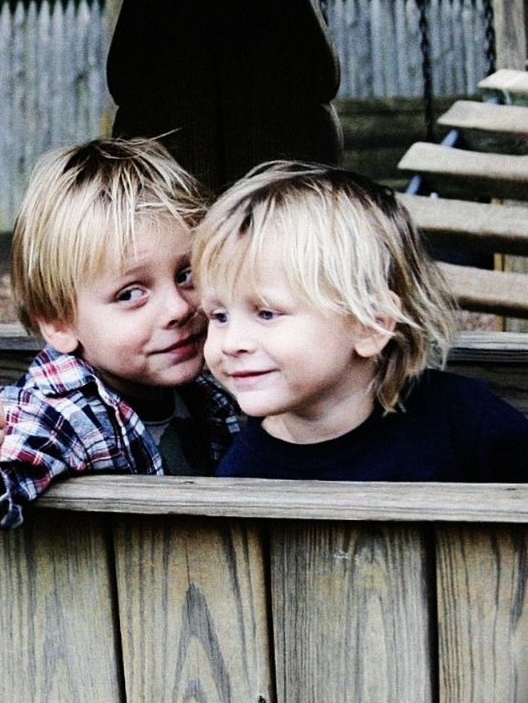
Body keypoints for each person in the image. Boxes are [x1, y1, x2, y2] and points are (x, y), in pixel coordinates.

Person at [0, 137, 241, 546]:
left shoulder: (211, 383)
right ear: (60, 325)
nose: (177, 307)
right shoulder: (60, 412)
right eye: (131, 293)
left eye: (186, 273)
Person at [191, 160, 528, 481]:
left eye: (266, 313)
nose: (232, 342)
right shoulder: (242, 476)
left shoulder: (465, 422)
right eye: (219, 316)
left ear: (370, 325)